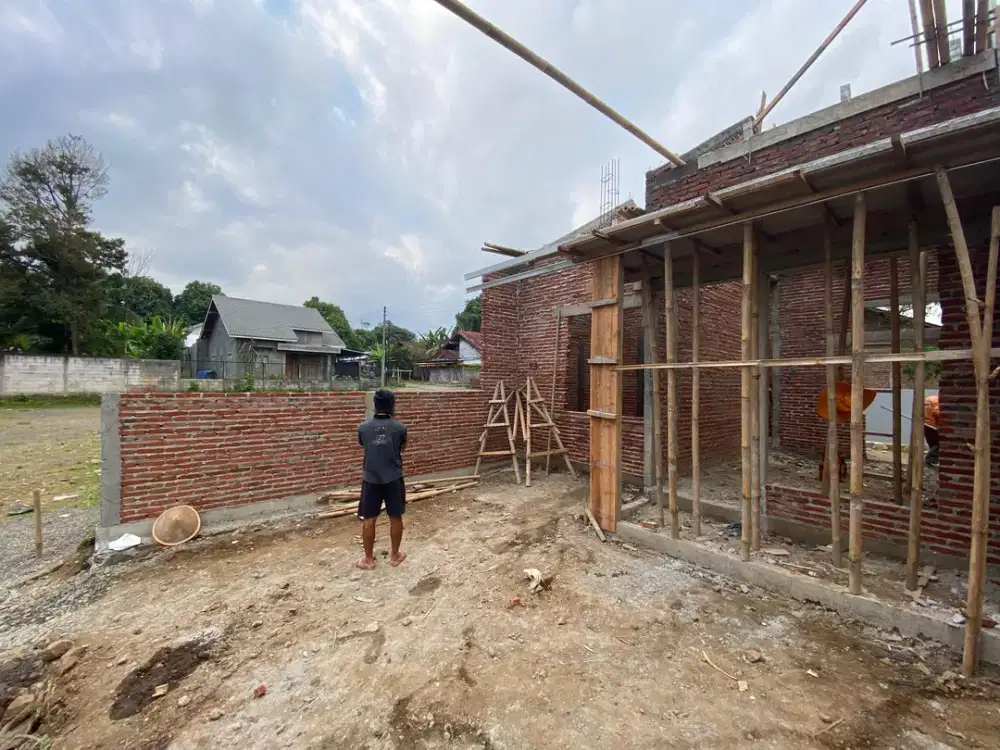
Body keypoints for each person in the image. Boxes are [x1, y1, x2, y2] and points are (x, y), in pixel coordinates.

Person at [356, 389, 407, 570]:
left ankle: (368, 559)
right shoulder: (400, 428)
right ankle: (395, 556)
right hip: (393, 478)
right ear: (393, 405)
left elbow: (364, 445)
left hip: (371, 479)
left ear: (375, 405)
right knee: (395, 517)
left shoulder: (363, 428)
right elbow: (403, 448)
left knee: (369, 518)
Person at [924, 393, 940, 467]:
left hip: (926, 425)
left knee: (933, 445)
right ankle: (930, 460)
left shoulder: (929, 399)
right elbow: (937, 413)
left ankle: (933, 461)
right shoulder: (937, 401)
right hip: (933, 427)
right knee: (938, 444)